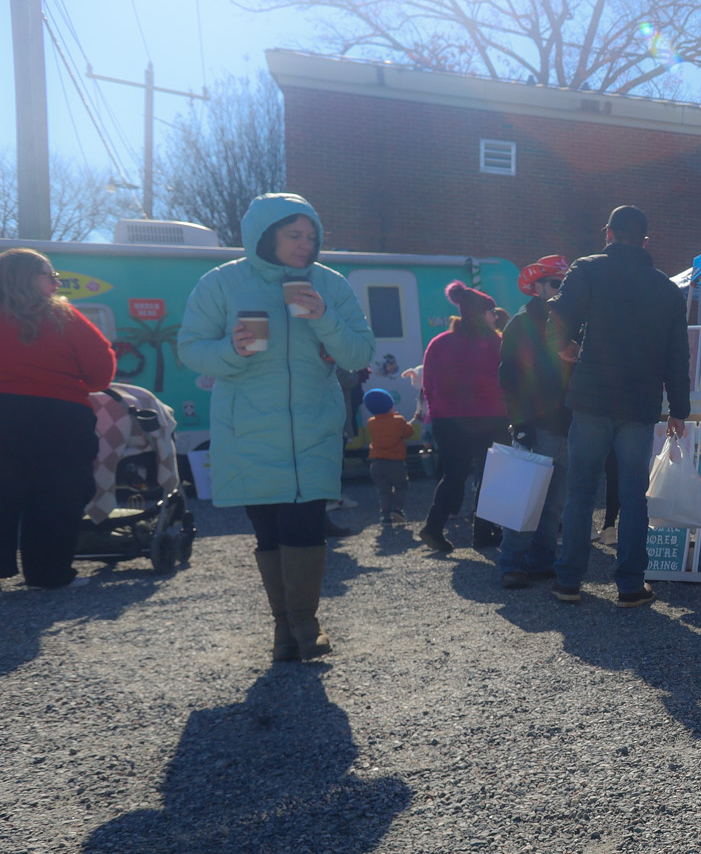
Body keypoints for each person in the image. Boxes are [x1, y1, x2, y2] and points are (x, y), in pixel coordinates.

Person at [178, 194, 373, 659]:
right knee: (266, 530)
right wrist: (232, 349)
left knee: (305, 523)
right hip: (247, 429)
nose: (306, 245)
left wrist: (324, 318)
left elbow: (359, 355)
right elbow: (190, 348)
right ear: (265, 236)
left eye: (311, 236)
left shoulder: (330, 284)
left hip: (312, 426)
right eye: (294, 235)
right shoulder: (221, 283)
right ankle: (283, 629)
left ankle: (306, 623)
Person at [550, 204, 691, 607]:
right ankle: (630, 584)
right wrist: (678, 409)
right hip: (639, 402)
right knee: (633, 496)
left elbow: (558, 313)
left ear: (607, 233)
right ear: (645, 241)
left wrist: (563, 346)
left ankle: (568, 581)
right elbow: (676, 355)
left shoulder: (588, 268)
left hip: (592, 398)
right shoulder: (666, 289)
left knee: (580, 492)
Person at [0, 248, 117, 590]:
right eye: (49, 275)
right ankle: (48, 576)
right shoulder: (64, 316)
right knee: (58, 495)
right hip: (59, 417)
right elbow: (101, 372)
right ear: (26, 278)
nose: (56, 282)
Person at [497, 256, 574, 588]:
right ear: (538, 287)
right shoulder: (521, 324)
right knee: (523, 499)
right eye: (556, 284)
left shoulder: (572, 321)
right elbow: (509, 378)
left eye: (564, 284)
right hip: (536, 423)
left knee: (555, 502)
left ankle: (542, 562)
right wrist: (520, 422)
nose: (560, 290)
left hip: (568, 424)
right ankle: (512, 563)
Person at [418, 281, 510, 554]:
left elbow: (428, 384)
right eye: (491, 312)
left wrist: (438, 412)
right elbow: (511, 380)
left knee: (453, 476)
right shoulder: (497, 343)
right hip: (491, 419)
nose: (495, 317)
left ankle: (434, 528)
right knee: (490, 477)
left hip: (449, 421)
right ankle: (483, 533)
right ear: (481, 314)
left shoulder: (439, 342)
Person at [363, 388, 418, 523]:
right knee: (401, 486)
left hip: (376, 464)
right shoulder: (398, 421)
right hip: (395, 462)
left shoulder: (371, 423)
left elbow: (387, 426)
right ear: (390, 406)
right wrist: (402, 420)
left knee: (384, 490)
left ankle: (385, 516)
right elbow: (408, 432)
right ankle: (397, 509)